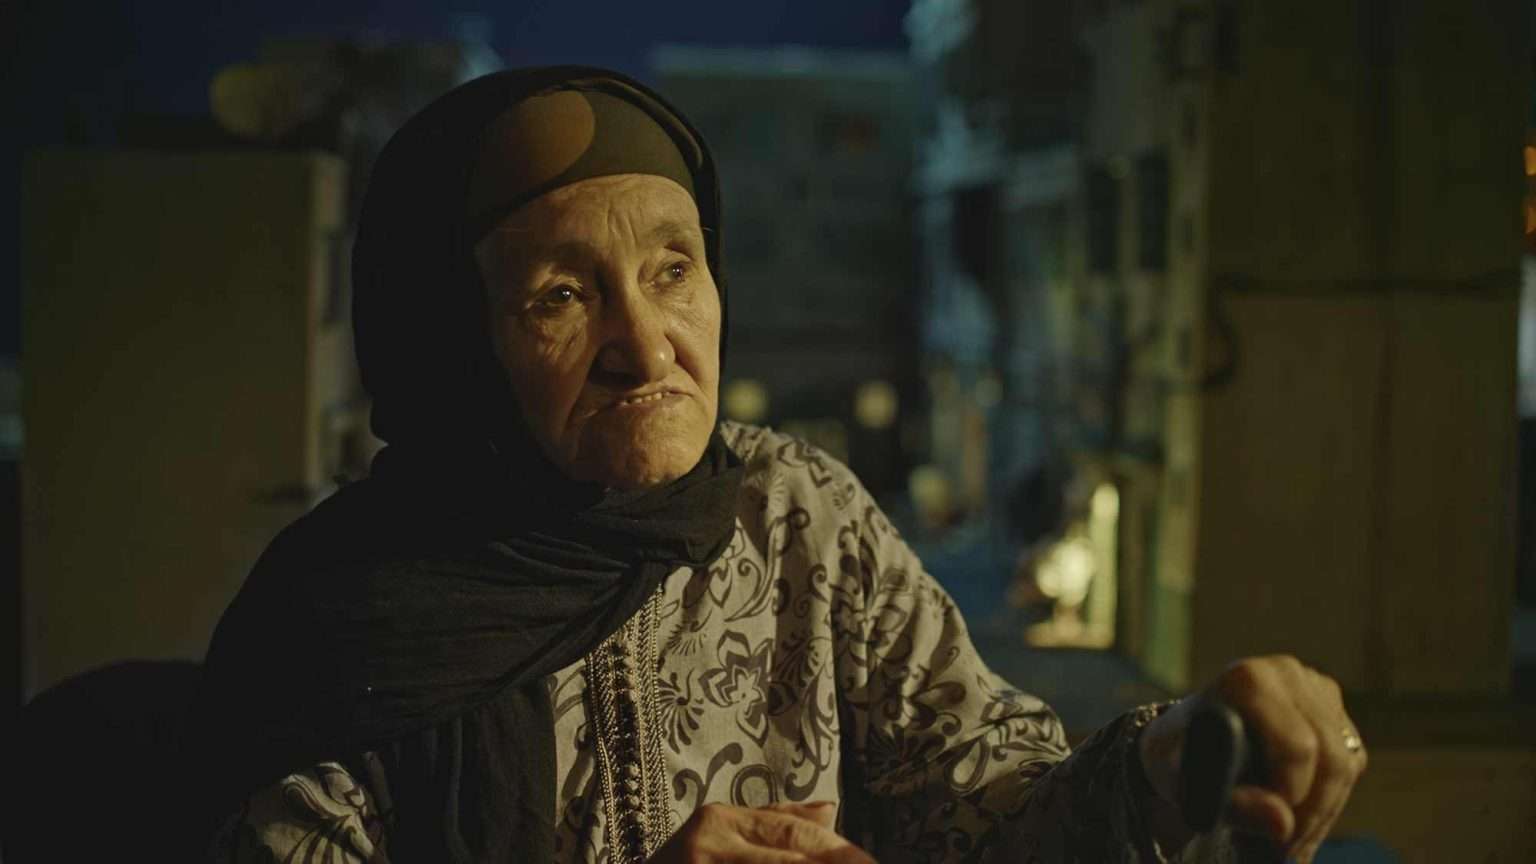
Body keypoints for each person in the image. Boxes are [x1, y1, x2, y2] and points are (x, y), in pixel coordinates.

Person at [191, 67, 1365, 864]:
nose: (646, 344)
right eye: (559, 296)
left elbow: (987, 809)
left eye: (673, 269)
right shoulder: (345, 623)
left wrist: (1170, 759)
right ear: (452, 350)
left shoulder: (796, 512)